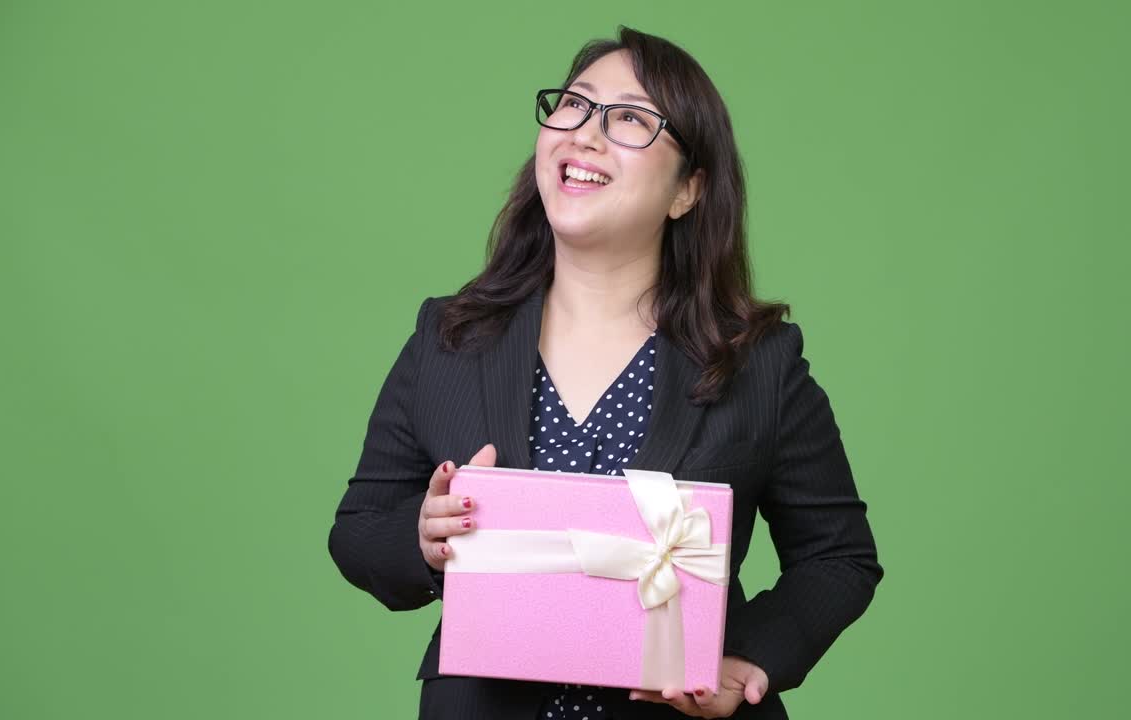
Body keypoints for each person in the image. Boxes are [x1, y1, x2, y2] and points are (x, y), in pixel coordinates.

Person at [327, 26, 883, 720]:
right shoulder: (450, 337)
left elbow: (839, 557)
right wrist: (421, 535)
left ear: (689, 190)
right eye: (575, 106)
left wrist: (748, 660)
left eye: (628, 118)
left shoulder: (757, 360)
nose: (586, 134)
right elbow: (357, 528)